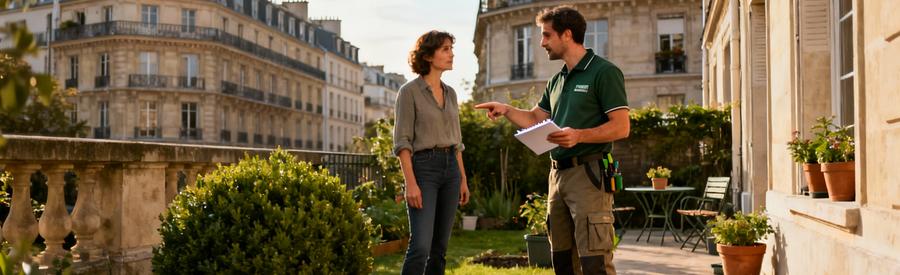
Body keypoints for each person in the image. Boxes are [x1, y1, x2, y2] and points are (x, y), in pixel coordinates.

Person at [475, 6, 630, 275]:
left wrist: (579, 135)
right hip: (557, 177)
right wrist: (507, 109)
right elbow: (536, 118)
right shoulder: (556, 80)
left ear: (567, 34)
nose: (542, 42)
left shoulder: (604, 72)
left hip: (589, 175)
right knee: (561, 261)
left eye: (547, 35)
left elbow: (621, 127)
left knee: (594, 263)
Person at [393, 30, 470, 275]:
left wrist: (463, 179)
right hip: (423, 168)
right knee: (421, 246)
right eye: (445, 49)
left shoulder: (451, 93)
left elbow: (456, 142)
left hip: (451, 169)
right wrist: (410, 183)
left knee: (440, 248)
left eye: (451, 48)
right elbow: (402, 142)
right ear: (428, 56)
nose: (451, 54)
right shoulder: (409, 92)